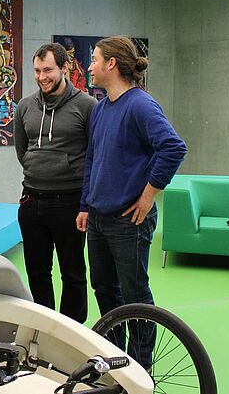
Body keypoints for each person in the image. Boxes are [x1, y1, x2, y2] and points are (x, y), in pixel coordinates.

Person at [76, 36, 187, 368]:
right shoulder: (100, 108)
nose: (89, 65)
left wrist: (148, 195)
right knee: (105, 291)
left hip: (128, 220)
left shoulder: (140, 105)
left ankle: (140, 369)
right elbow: (93, 160)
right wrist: (85, 204)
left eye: (94, 59)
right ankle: (115, 361)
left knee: (135, 295)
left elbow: (173, 148)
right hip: (97, 216)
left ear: (111, 64)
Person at [14, 43, 97, 323]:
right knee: (37, 272)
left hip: (70, 202)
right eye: (37, 70)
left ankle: (73, 330)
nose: (41, 76)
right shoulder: (25, 106)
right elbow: (22, 150)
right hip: (32, 201)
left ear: (64, 68)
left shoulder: (87, 106)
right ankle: (43, 327)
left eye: (48, 70)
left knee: (72, 273)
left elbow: (95, 153)